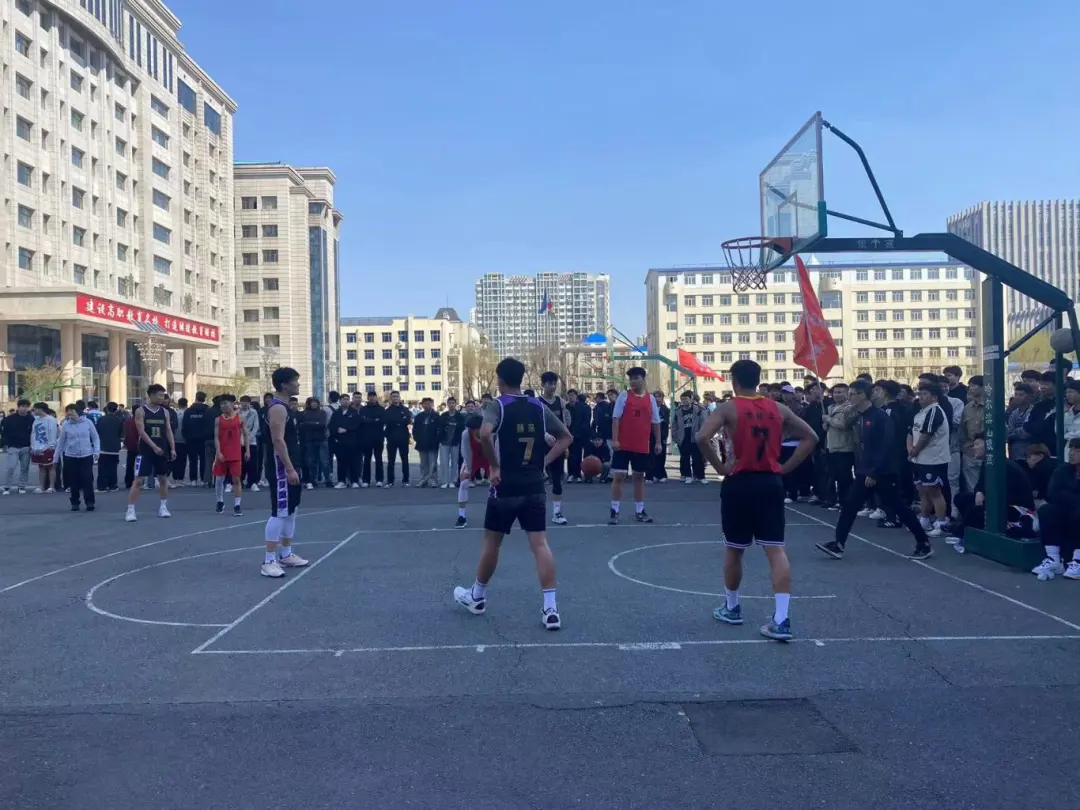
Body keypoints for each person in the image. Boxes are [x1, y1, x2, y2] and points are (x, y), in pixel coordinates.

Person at [697, 359, 817, 641]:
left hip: (740, 482)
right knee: (775, 549)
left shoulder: (729, 408)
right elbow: (811, 437)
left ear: (734, 381)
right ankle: (782, 619)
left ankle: (732, 607)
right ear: (758, 379)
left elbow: (702, 437)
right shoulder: (779, 408)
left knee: (734, 548)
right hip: (770, 482)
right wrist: (785, 468)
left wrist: (720, 468)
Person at [453, 357, 573, 630]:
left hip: (506, 485)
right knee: (540, 544)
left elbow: (485, 433)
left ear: (499, 379)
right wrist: (544, 461)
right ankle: (551, 608)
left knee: (492, 542)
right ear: (521, 379)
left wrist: (494, 466)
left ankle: (477, 596)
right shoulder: (538, 406)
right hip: (534, 484)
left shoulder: (497, 405)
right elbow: (566, 437)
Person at [815, 379, 933, 560]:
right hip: (867, 469)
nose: (850, 398)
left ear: (864, 396)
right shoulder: (862, 416)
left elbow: (886, 447)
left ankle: (923, 542)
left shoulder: (880, 417)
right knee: (850, 505)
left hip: (882, 471)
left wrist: (874, 472)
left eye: (853, 394)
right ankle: (838, 544)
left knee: (899, 507)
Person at [261, 368, 309, 578]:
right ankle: (269, 560)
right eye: (295, 381)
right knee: (279, 512)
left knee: (290, 510)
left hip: (292, 464)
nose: (298, 385)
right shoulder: (277, 408)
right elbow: (278, 440)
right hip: (280, 468)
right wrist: (288, 468)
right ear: (283, 384)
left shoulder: (287, 407)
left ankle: (286, 554)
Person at [608, 368, 662, 524]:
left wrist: (658, 442)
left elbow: (656, 422)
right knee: (619, 476)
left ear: (643, 379)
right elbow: (616, 419)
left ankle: (640, 510)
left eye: (636, 378)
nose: (632, 381)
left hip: (641, 444)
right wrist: (615, 440)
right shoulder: (624, 396)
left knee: (639, 477)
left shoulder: (650, 399)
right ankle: (614, 510)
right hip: (623, 444)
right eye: (630, 379)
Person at [125, 384, 176, 522]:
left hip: (162, 449)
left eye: (163, 395)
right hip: (145, 450)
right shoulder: (141, 411)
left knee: (163, 478)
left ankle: (163, 507)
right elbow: (141, 432)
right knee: (138, 480)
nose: (162, 398)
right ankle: (130, 510)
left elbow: (168, 430)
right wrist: (153, 446)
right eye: (159, 395)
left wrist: (172, 448)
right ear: (151, 395)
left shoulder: (165, 412)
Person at [1031, 438, 1080, 580]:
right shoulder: (1062, 470)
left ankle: (1078, 560)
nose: (1071, 453)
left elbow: (1062, 494)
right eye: (1070, 449)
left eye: (1076, 450)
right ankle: (1053, 559)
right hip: (1066, 509)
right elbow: (1053, 493)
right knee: (1047, 510)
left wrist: (1068, 497)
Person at [56, 402, 100, 512]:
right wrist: (55, 457)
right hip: (71, 456)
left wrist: (96, 451)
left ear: (78, 412)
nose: (70, 413)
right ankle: (75, 502)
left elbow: (95, 437)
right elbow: (61, 442)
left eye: (72, 410)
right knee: (73, 481)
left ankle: (90, 502)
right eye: (68, 411)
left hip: (86, 455)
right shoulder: (66, 425)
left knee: (87, 479)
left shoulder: (87, 422)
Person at [539, 371, 570, 525]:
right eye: (549, 384)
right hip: (540, 444)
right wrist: (544, 435)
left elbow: (564, 424)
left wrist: (565, 444)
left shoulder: (560, 402)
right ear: (542, 385)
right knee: (537, 480)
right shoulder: (537, 402)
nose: (552, 386)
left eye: (554, 384)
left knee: (557, 480)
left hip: (557, 444)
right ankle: (534, 511)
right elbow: (535, 423)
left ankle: (557, 513)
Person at [212, 395, 249, 516]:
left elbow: (246, 435)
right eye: (221, 404)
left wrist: (247, 450)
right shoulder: (218, 420)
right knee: (219, 479)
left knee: (236, 479)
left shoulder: (240, 418)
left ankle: (237, 505)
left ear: (232, 404)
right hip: (222, 452)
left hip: (235, 453)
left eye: (225, 403)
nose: (223, 406)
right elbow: (216, 437)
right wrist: (218, 451)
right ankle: (220, 501)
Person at [823, 384, 857, 510]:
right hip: (831, 446)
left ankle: (846, 502)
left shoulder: (849, 408)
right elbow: (827, 427)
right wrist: (825, 423)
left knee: (844, 477)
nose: (836, 395)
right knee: (833, 476)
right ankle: (836, 500)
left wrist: (828, 420)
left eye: (840, 392)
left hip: (844, 447)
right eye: (835, 392)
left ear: (847, 394)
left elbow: (844, 424)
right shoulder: (831, 407)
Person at [454, 413, 486, 528]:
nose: (475, 432)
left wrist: (495, 468)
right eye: (472, 429)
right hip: (472, 457)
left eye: (477, 429)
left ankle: (499, 513)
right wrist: (468, 471)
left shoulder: (491, 433)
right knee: (463, 483)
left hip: (488, 456)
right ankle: (461, 516)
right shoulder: (466, 434)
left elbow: (496, 451)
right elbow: (466, 453)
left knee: (497, 485)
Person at [670, 391, 706, 484]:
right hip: (683, 438)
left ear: (691, 399)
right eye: (682, 399)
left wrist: (701, 434)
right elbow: (674, 426)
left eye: (686, 399)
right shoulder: (678, 411)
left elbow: (703, 422)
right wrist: (675, 437)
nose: (684, 401)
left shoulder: (698, 410)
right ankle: (687, 476)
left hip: (695, 437)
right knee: (685, 458)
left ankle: (700, 476)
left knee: (698, 458)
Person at [1, 398, 34, 495]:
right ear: (18, 407)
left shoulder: (31, 419)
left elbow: (33, 433)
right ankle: (7, 487)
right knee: (11, 467)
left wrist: (31, 445)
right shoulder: (9, 419)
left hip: (26, 446)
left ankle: (21, 486)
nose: (25, 408)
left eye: (26, 407)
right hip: (13, 446)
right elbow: (4, 432)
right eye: (23, 406)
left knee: (24, 468)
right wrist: (7, 443)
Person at [329, 393, 362, 488]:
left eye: (347, 399)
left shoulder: (354, 412)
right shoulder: (336, 413)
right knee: (341, 462)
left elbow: (357, 425)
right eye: (343, 399)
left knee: (353, 462)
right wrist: (337, 430)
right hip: (340, 442)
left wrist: (346, 429)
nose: (346, 401)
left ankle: (354, 481)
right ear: (340, 401)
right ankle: (341, 481)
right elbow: (331, 426)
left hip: (352, 441)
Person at [297, 397, 330, 490]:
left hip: (322, 439)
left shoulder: (322, 413)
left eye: (316, 402)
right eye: (312, 402)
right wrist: (315, 423)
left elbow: (322, 424)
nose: (314, 404)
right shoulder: (304, 413)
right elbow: (301, 425)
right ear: (309, 404)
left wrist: (309, 424)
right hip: (310, 440)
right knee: (312, 461)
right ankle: (313, 479)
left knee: (325, 461)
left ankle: (328, 479)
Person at [384, 390, 413, 487]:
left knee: (405, 460)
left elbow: (408, 420)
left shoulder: (405, 410)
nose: (395, 398)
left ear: (399, 398)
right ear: (390, 398)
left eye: (397, 396)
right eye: (393, 396)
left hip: (403, 437)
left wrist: (399, 421)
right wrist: (400, 420)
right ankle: (390, 481)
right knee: (391, 461)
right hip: (391, 438)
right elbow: (387, 421)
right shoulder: (387, 410)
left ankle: (406, 480)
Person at [182, 391, 212, 486]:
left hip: (191, 439)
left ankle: (193, 480)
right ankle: (203, 479)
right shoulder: (208, 411)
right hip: (204, 439)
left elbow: (184, 425)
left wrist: (186, 436)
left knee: (192, 460)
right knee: (204, 460)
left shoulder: (188, 411)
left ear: (196, 398)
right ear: (204, 399)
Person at [95, 402, 125, 492]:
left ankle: (102, 486)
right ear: (116, 410)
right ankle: (113, 485)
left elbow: (97, 433)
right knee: (113, 467)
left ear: (107, 409)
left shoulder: (101, 419)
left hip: (103, 446)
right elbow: (122, 434)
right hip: (115, 447)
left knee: (102, 467)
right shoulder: (119, 420)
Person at [30, 403, 59, 493]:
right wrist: (33, 446)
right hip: (38, 447)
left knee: (51, 466)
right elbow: (33, 433)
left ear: (40, 409)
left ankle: (51, 487)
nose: (34, 411)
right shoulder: (36, 420)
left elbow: (52, 432)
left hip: (48, 447)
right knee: (41, 467)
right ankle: (41, 486)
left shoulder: (51, 419)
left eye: (35, 409)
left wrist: (51, 446)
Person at [437, 397, 466, 489]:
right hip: (444, 442)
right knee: (444, 463)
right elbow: (439, 428)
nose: (451, 405)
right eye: (449, 403)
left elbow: (462, 429)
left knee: (454, 463)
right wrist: (440, 438)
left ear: (455, 404)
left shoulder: (460, 417)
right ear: (447, 404)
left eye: (453, 403)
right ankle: (445, 481)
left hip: (455, 442)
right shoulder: (443, 416)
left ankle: (453, 481)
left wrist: (458, 440)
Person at [359, 390, 386, 487]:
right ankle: (366, 480)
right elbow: (362, 420)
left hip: (378, 437)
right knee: (367, 459)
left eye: (373, 396)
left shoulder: (381, 409)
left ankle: (379, 479)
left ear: (376, 397)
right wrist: (374, 420)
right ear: (367, 398)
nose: (372, 398)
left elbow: (382, 421)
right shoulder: (363, 409)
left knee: (378, 458)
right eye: (370, 396)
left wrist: (369, 420)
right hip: (366, 437)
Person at [412, 397, 441, 487]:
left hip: (433, 443)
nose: (427, 405)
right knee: (423, 463)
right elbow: (415, 430)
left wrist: (437, 440)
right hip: (422, 443)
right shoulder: (418, 417)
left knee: (433, 463)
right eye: (425, 404)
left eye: (429, 403)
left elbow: (439, 430)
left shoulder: (436, 416)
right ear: (422, 405)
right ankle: (423, 479)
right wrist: (417, 439)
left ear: (432, 404)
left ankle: (433, 480)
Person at [565, 389, 592, 482]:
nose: (571, 397)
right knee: (570, 455)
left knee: (578, 454)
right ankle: (570, 474)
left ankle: (578, 474)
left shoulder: (582, 407)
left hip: (579, 435)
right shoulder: (566, 407)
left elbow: (585, 421)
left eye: (572, 395)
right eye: (569, 395)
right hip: (568, 434)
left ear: (576, 396)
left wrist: (578, 433)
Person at [238, 396, 262, 491]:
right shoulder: (236, 413)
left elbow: (256, 426)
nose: (244, 404)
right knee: (240, 463)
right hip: (239, 441)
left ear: (249, 403)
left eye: (246, 402)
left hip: (252, 441)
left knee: (252, 463)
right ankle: (240, 481)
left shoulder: (254, 412)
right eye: (243, 401)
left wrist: (250, 437)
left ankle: (253, 483)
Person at [648, 391, 670, 483]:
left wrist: (664, 437)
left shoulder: (665, 410)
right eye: (655, 397)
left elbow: (666, 424)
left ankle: (661, 474)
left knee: (661, 455)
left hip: (661, 435)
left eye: (659, 397)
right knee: (650, 455)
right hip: (650, 434)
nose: (657, 399)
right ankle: (650, 475)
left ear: (662, 398)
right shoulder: (648, 408)